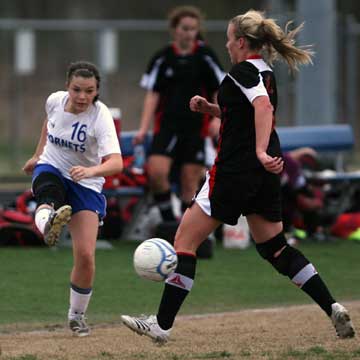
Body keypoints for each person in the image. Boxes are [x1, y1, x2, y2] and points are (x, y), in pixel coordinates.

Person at [121, 10, 355, 343]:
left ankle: (162, 325)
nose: (227, 45)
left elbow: (262, 108)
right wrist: (213, 110)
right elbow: (247, 111)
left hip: (235, 171)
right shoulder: (264, 71)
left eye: (230, 39)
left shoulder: (242, 70)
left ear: (242, 42)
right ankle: (332, 306)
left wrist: (259, 151)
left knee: (184, 243)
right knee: (275, 249)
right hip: (263, 176)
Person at [23, 61, 123, 336]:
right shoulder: (54, 101)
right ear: (67, 86)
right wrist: (37, 154)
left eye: (89, 91)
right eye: (77, 89)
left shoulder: (99, 116)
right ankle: (48, 224)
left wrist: (91, 170)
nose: (82, 97)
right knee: (49, 192)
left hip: (86, 183)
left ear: (96, 91)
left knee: (86, 255)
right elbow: (48, 124)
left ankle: (76, 315)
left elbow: (116, 163)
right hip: (52, 166)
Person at [133, 5, 224, 221]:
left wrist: (218, 119)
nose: (188, 32)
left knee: (190, 180)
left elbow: (218, 90)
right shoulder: (163, 58)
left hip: (196, 128)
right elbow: (152, 95)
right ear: (175, 29)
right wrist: (143, 129)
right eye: (184, 28)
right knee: (156, 172)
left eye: (192, 28)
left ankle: (185, 230)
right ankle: (168, 222)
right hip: (166, 126)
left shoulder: (205, 56)